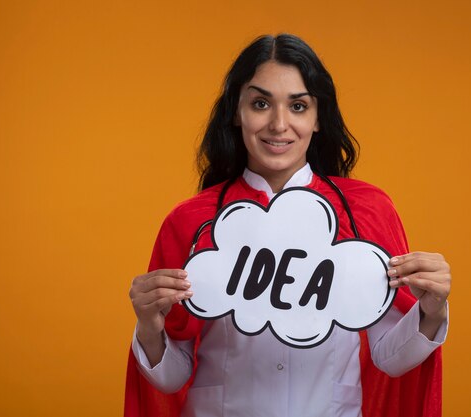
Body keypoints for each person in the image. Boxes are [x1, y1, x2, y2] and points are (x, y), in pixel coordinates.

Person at [125, 34, 451, 417]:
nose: (279, 124)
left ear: (317, 119)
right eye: (261, 103)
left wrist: (432, 310)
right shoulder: (191, 221)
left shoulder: (366, 212)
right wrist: (149, 325)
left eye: (298, 106)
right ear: (236, 112)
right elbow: (172, 376)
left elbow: (391, 358)